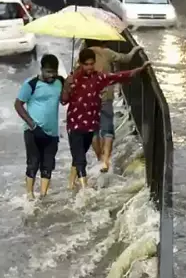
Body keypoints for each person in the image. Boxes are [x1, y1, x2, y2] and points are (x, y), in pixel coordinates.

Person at [61, 48, 150, 191]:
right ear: (80, 64)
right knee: (80, 159)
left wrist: (139, 70)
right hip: (75, 125)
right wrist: (66, 86)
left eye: (92, 64)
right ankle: (84, 191)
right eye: (86, 64)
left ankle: (71, 185)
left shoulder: (99, 78)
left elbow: (119, 76)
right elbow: (63, 100)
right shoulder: (72, 79)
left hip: (91, 125)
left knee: (78, 156)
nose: (89, 67)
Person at [83, 39, 144, 173]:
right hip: (106, 97)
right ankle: (105, 161)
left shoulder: (84, 55)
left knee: (93, 132)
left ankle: (99, 158)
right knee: (107, 131)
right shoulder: (106, 52)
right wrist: (135, 50)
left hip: (88, 99)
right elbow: (126, 59)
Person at [14, 54, 65, 200]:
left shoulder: (59, 82)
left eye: (54, 72)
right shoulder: (31, 84)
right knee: (33, 163)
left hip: (52, 133)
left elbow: (64, 100)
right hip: (33, 131)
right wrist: (32, 125)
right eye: (48, 72)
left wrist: (69, 84)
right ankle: (29, 195)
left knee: (48, 165)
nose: (51, 75)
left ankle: (43, 197)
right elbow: (18, 105)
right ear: (41, 69)